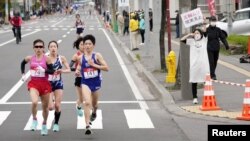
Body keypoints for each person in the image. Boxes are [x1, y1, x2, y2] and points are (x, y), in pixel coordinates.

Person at [20, 39, 55, 136]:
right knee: (34, 102)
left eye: (40, 47)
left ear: (43, 48)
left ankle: (44, 124)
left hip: (45, 84)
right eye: (36, 47)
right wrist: (23, 74)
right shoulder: (29, 58)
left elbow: (52, 71)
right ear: (33, 48)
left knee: (45, 108)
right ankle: (34, 119)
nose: (38, 48)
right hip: (34, 84)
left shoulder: (47, 59)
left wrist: (44, 70)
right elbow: (22, 63)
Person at [75, 34, 109, 135]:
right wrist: (77, 71)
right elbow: (79, 67)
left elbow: (107, 68)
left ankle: (94, 112)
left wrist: (94, 65)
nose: (87, 46)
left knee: (94, 104)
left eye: (90, 44)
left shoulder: (97, 56)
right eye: (86, 44)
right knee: (87, 102)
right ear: (83, 46)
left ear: (93, 45)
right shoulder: (80, 58)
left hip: (96, 82)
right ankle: (87, 126)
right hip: (85, 82)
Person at [181, 28, 210, 104]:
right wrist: (189, 35)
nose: (196, 34)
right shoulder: (191, 41)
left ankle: (208, 96)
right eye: (195, 33)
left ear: (201, 34)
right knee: (194, 81)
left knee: (206, 81)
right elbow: (182, 40)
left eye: (198, 33)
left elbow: (206, 33)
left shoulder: (204, 40)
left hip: (204, 64)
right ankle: (195, 97)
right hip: (194, 65)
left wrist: (204, 28)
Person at [47, 40, 71, 132]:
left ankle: (56, 123)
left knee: (57, 105)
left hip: (58, 83)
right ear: (48, 48)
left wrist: (62, 71)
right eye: (51, 46)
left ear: (57, 48)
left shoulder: (62, 58)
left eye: (54, 46)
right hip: (48, 84)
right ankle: (51, 100)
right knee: (50, 107)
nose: (53, 48)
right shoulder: (45, 59)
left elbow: (68, 69)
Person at [206, 16, 229, 80]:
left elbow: (222, 37)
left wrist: (226, 45)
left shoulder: (218, 29)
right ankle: (212, 75)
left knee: (215, 61)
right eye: (212, 21)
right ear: (210, 21)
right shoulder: (207, 29)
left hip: (216, 48)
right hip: (209, 48)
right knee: (211, 62)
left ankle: (212, 72)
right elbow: (203, 36)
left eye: (214, 21)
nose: (213, 22)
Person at [70, 37, 86, 117]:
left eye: (84, 44)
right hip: (79, 78)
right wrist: (77, 70)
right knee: (81, 99)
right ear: (78, 45)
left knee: (88, 97)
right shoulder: (76, 56)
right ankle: (78, 106)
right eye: (81, 44)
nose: (83, 46)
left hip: (88, 78)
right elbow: (69, 67)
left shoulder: (89, 54)